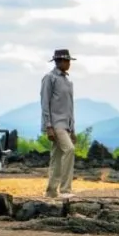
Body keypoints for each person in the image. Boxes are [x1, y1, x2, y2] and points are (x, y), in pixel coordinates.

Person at [40, 48, 77, 199]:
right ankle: (66, 189)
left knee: (56, 157)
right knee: (70, 150)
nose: (69, 63)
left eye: (69, 61)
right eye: (66, 60)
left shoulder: (68, 81)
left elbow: (70, 107)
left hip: (66, 125)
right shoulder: (49, 78)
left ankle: (51, 191)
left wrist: (73, 129)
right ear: (59, 61)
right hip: (56, 124)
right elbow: (45, 103)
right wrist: (48, 126)